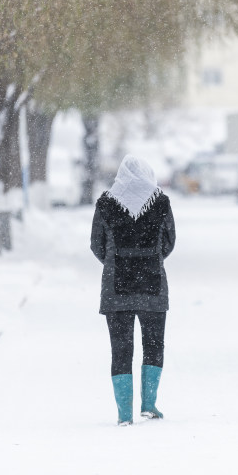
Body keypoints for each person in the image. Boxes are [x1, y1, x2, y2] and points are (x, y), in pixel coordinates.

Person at [90, 155, 176, 425]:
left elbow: (96, 244)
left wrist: (117, 260)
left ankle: (124, 413)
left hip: (116, 288)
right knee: (153, 346)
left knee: (120, 350)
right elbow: (169, 241)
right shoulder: (160, 202)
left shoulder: (106, 202)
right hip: (153, 285)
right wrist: (150, 258)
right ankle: (149, 405)